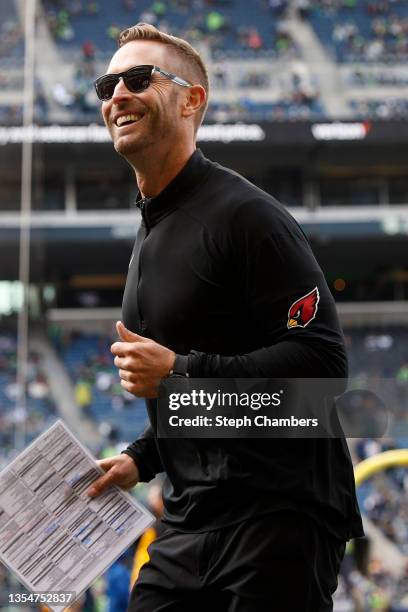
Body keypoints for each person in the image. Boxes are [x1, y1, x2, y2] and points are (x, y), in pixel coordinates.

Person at [87, 22, 364, 611]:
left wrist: (180, 371)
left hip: (277, 516)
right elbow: (195, 393)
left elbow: (322, 368)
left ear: (192, 99)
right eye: (107, 83)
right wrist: (144, 457)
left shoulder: (247, 216)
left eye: (138, 78)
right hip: (189, 522)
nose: (117, 94)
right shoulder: (151, 231)